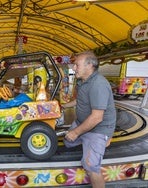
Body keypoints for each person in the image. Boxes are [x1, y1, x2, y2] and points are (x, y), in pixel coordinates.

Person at [62, 51, 116, 188]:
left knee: (91, 166)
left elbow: (97, 118)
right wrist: (62, 106)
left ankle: (103, 140)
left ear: (90, 65)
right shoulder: (83, 81)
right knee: (66, 143)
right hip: (82, 123)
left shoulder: (98, 84)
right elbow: (79, 100)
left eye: (77, 65)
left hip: (98, 129)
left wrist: (75, 132)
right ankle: (88, 141)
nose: (74, 68)